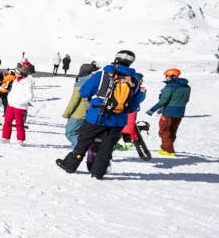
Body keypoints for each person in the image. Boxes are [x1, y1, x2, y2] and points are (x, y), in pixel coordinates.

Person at [56, 49, 146, 180]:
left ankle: (70, 165)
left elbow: (85, 92)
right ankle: (98, 172)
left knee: (84, 142)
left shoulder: (103, 74)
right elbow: (134, 104)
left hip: (96, 116)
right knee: (107, 147)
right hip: (118, 120)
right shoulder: (134, 80)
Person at [145, 68, 190, 156]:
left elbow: (163, 101)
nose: (165, 77)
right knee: (172, 131)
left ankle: (169, 151)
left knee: (164, 131)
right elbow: (186, 99)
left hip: (169, 112)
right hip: (180, 112)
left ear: (172, 76)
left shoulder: (170, 86)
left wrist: (152, 110)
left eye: (166, 75)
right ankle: (165, 149)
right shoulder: (187, 87)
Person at [61, 62, 97, 147]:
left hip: (78, 113)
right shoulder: (94, 81)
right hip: (90, 112)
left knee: (70, 133)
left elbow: (74, 101)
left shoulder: (81, 82)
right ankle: (78, 152)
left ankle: (80, 151)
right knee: (81, 134)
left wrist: (67, 113)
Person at [1, 63, 34, 143]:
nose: (15, 73)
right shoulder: (15, 80)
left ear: (21, 73)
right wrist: (9, 99)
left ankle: (20, 139)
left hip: (20, 107)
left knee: (19, 124)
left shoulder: (27, 83)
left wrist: (19, 102)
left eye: (17, 72)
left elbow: (30, 96)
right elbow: (12, 91)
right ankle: (5, 138)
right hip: (11, 105)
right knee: (7, 121)